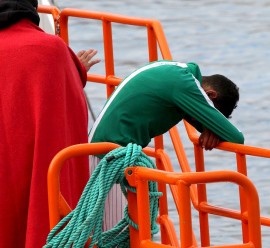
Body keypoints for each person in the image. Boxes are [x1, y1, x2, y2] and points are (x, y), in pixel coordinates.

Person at [0, 0, 100, 248]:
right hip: (39, 158)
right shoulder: (53, 48)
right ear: (33, 12)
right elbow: (63, 97)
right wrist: (77, 66)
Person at [89, 60, 244, 230]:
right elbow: (236, 138)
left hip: (103, 150)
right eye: (210, 110)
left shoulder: (177, 73)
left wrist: (211, 127)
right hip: (108, 156)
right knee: (119, 235)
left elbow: (203, 121)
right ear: (210, 95)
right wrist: (214, 126)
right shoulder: (184, 85)